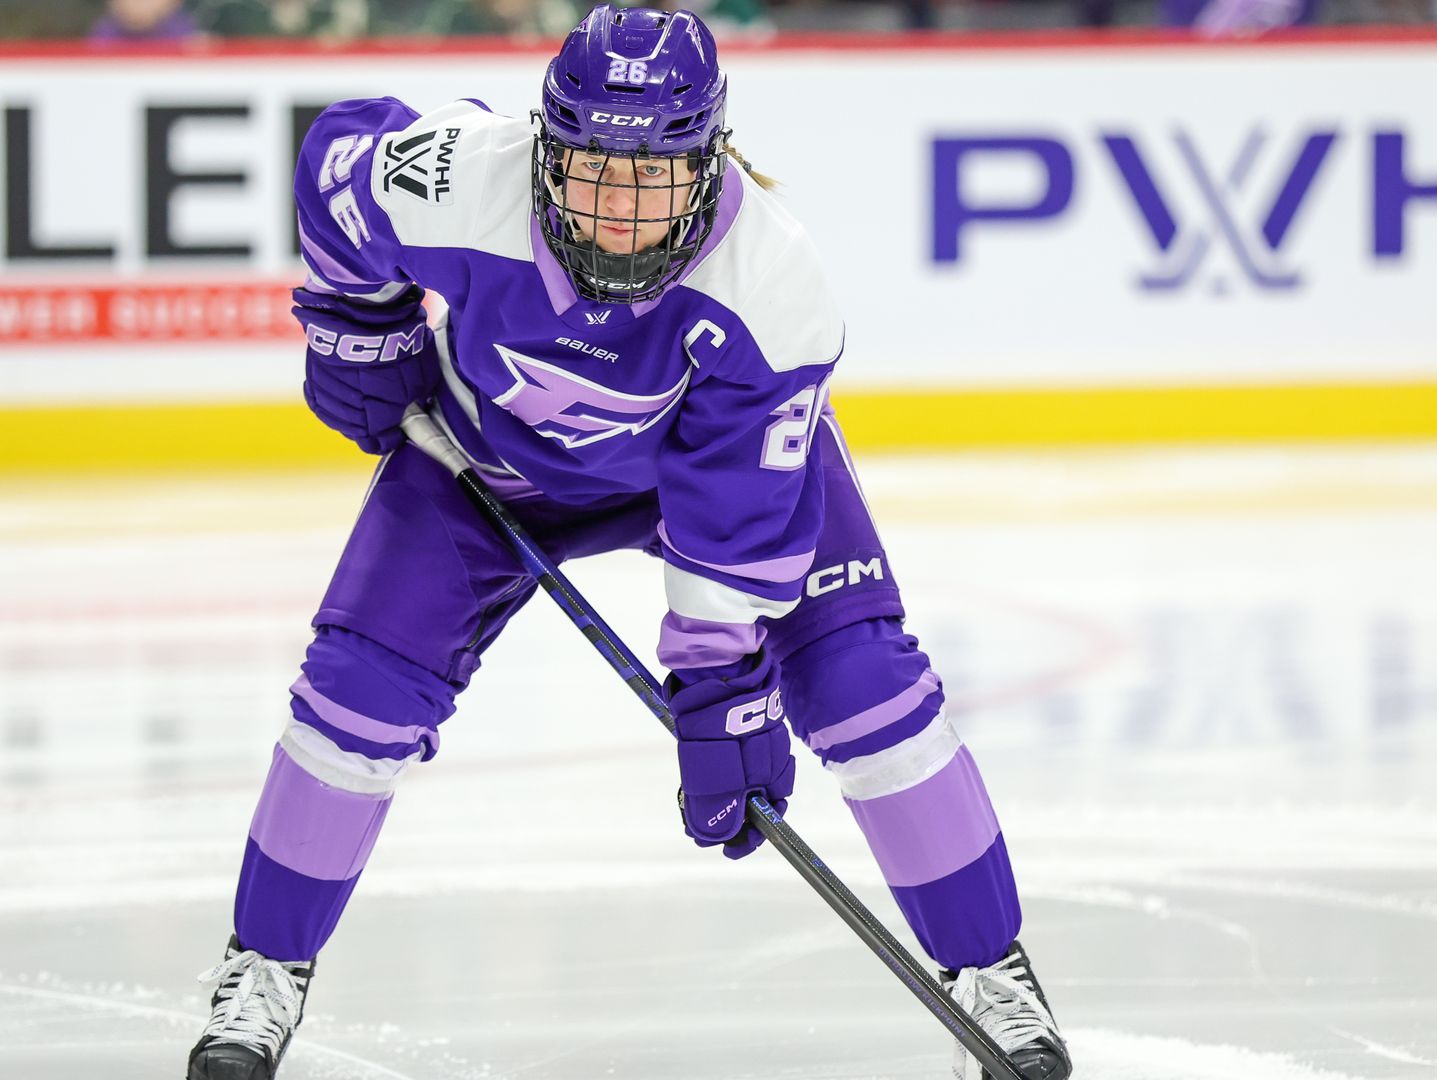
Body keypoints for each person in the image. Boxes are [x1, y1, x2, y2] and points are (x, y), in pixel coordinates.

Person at [185, 6, 1071, 1079]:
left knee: (865, 685)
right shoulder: (464, 177)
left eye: (652, 180)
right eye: (595, 172)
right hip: (487, 465)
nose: (618, 213)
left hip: (696, 477)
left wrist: (720, 682)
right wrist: (356, 323)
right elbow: (337, 167)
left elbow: (733, 520)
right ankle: (264, 970)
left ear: (707, 164)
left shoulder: (771, 281)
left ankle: (990, 969)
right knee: (352, 697)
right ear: (546, 147)